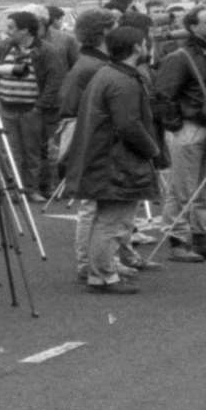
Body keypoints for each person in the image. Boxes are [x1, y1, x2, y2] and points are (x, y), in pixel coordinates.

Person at [68, 27, 166, 294]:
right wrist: (153, 151)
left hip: (105, 157)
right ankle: (102, 275)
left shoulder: (107, 74)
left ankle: (98, 271)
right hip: (116, 161)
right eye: (146, 43)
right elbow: (128, 125)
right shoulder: (123, 81)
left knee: (107, 219)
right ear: (137, 47)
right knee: (113, 221)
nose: (149, 48)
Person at [153, 4, 206, 262]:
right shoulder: (180, 57)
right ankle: (178, 240)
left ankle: (203, 237)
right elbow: (162, 95)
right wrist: (177, 125)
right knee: (182, 189)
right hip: (190, 127)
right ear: (194, 27)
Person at [0, 10, 66, 201]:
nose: (7, 31)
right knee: (11, 151)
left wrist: (39, 107)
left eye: (11, 27)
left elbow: (54, 80)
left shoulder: (47, 51)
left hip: (31, 109)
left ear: (25, 31)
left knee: (32, 152)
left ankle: (31, 189)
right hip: (6, 107)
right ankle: (14, 189)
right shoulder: (3, 48)